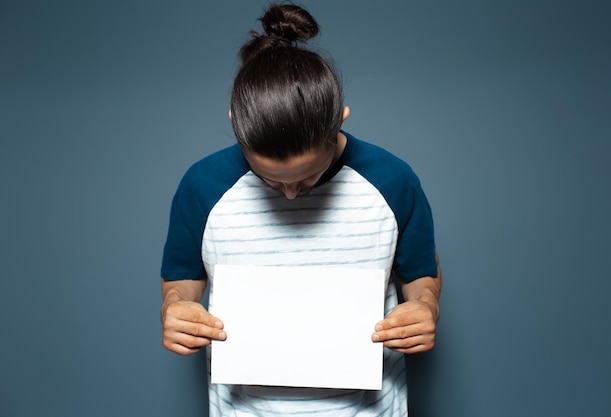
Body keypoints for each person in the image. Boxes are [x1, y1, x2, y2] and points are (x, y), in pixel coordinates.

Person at [160, 3, 441, 416]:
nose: (291, 196)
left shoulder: (393, 180)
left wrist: (424, 308)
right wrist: (176, 309)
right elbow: (180, 284)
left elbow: (421, 278)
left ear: (338, 121)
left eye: (308, 177)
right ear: (236, 123)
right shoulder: (202, 185)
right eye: (271, 180)